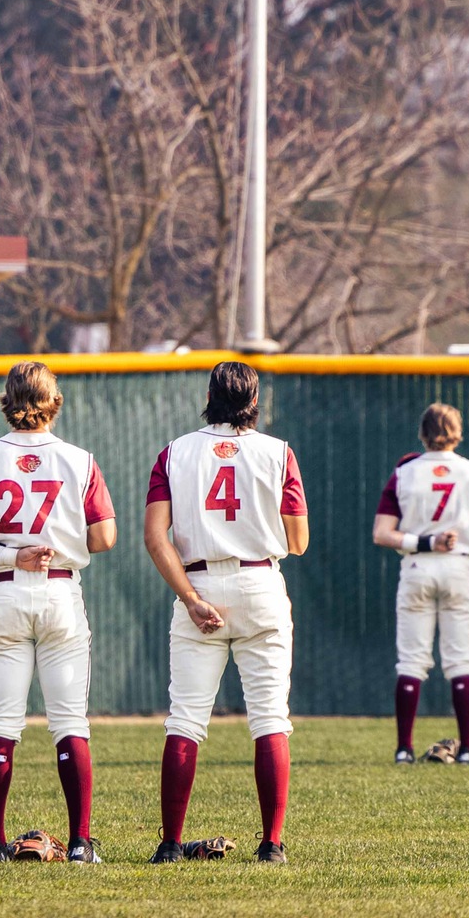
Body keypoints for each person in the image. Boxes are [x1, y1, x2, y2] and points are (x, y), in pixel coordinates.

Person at [0, 361, 118, 864]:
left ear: (7, 399)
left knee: (0, 723)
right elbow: (105, 536)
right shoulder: (79, 460)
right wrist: (60, 540)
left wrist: (6, 553)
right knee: (69, 723)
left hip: (6, 590)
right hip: (60, 590)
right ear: (53, 402)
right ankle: (81, 842)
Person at [144, 361, 309, 864]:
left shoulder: (175, 452)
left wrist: (191, 598)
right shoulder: (279, 452)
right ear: (254, 400)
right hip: (259, 580)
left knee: (186, 721)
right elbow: (298, 542)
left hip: (198, 582)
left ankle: (171, 844)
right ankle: (272, 844)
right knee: (269, 718)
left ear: (210, 395)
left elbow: (155, 538)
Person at [373, 402, 469, 764]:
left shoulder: (406, 472)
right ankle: (468, 748)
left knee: (411, 661)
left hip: (418, 566)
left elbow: (382, 533)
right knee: (461, 661)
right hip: (458, 566)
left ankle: (404, 748)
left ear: (422, 434)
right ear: (457, 433)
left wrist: (423, 541)